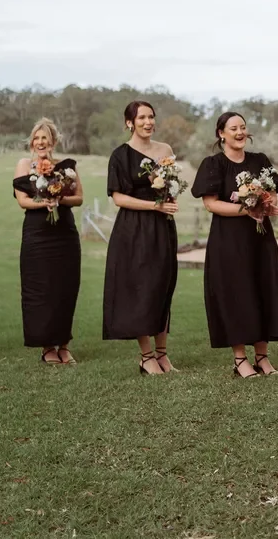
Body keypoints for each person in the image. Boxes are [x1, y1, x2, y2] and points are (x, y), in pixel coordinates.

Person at [191, 112, 278, 378]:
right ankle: (240, 359)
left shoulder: (260, 161)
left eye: (243, 127)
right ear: (221, 133)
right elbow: (210, 203)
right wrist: (248, 209)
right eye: (233, 128)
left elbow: (274, 193)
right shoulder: (213, 164)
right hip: (228, 240)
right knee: (237, 294)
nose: (240, 132)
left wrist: (265, 203)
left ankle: (263, 357)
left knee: (263, 288)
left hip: (261, 238)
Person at [102, 100, 179, 375]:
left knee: (162, 286)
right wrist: (153, 206)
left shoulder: (165, 150)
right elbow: (118, 197)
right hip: (134, 228)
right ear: (129, 123)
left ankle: (162, 354)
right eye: (142, 117)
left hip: (163, 227)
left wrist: (168, 200)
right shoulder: (120, 156)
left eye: (151, 117)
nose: (148, 122)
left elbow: (172, 186)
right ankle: (146, 356)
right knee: (141, 288)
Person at [12, 118, 83, 365]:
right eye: (37, 138)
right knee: (41, 290)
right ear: (32, 141)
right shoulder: (24, 164)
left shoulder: (67, 166)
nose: (41, 142)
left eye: (45, 137)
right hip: (37, 234)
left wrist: (59, 201)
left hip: (64, 232)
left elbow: (79, 198)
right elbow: (22, 200)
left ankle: (64, 345)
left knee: (65, 287)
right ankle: (46, 347)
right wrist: (44, 202)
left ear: (53, 140)